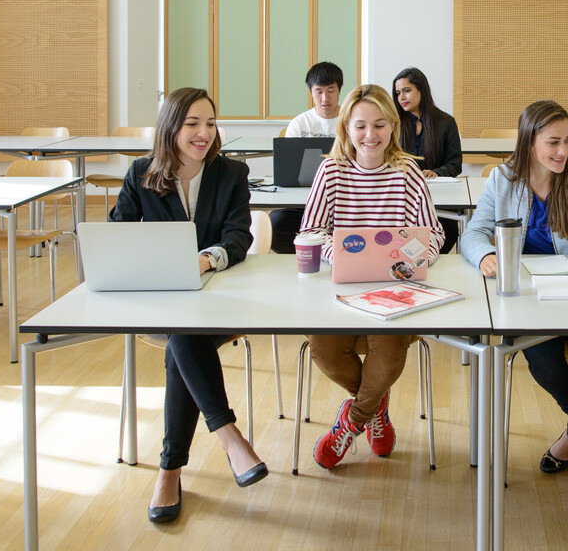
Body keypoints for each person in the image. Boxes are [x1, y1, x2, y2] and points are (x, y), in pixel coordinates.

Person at [109, 87, 267, 522]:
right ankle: (228, 436)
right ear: (170, 127)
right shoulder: (141, 173)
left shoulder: (231, 173)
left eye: (211, 123)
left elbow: (239, 238)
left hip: (220, 302)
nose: (203, 133)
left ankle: (169, 469)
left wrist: (203, 260)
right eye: (192, 124)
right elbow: (118, 235)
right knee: (182, 331)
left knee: (184, 337)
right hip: (159, 302)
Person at [461, 100, 568, 473]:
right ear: (529, 141)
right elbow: (474, 233)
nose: (564, 151)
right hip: (528, 296)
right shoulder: (502, 180)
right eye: (553, 142)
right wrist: (486, 255)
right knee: (545, 363)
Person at [299, 84, 444, 469]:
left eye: (379, 125)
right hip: (342, 287)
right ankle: (375, 410)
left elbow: (434, 234)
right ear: (346, 127)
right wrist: (339, 255)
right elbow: (310, 233)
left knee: (391, 348)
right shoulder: (331, 170)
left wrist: (414, 260)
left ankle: (350, 423)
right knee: (323, 348)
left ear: (393, 126)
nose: (370, 135)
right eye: (361, 126)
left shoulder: (408, 172)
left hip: (396, 289)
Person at [270, 61, 343, 253]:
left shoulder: (351, 120)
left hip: (343, 197)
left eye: (331, 90)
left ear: (340, 90)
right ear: (311, 91)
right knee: (275, 225)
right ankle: (308, 256)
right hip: (305, 197)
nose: (325, 98)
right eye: (318, 91)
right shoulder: (299, 123)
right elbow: (289, 170)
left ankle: (331, 256)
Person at [392, 67, 463, 253]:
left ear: (422, 90)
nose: (401, 97)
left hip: (438, 196)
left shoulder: (446, 122)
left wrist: (436, 172)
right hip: (403, 196)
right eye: (398, 93)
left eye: (407, 91)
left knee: (444, 237)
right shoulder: (393, 124)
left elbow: (455, 164)